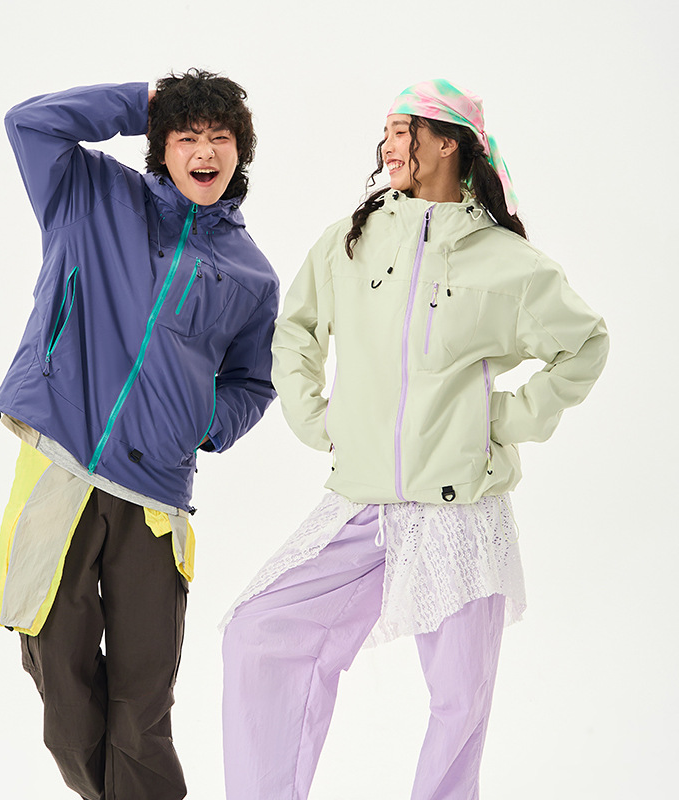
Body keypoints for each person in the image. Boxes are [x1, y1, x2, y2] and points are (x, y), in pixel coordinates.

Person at [221, 79, 609, 800]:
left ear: (447, 143)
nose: (389, 145)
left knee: (460, 701)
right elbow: (297, 329)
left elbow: (584, 344)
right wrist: (316, 418)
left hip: (462, 511)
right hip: (362, 504)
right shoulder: (351, 242)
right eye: (388, 133)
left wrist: (500, 420)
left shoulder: (509, 263)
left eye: (404, 131)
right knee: (259, 633)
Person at [0, 71, 279, 800]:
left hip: (154, 495)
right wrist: (140, 102)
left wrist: (201, 424)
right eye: (187, 136)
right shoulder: (90, 194)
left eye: (221, 138)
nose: (205, 151)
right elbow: (29, 122)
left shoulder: (252, 275)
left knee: (142, 708)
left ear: (240, 151)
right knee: (63, 697)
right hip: (61, 462)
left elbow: (253, 383)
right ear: (161, 146)